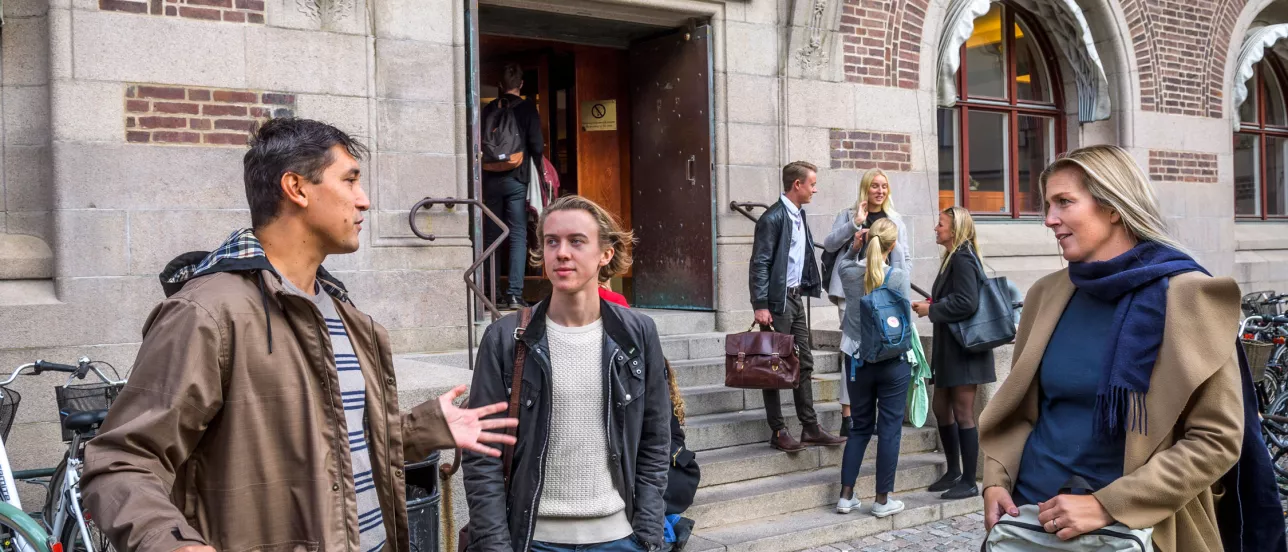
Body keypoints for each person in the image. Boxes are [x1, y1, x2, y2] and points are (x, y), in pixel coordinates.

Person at [80, 118, 518, 552]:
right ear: (297, 188)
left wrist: (425, 427)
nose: (363, 201)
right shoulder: (207, 313)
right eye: (350, 180)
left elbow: (336, 449)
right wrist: (173, 545)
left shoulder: (347, 316)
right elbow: (122, 461)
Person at [978, 145, 1247, 550]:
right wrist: (996, 481)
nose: (1049, 219)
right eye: (1048, 205)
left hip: (1136, 530)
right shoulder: (1047, 294)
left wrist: (1108, 505)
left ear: (1113, 207)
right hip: (1028, 520)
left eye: (1064, 202)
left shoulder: (1190, 297)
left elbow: (1216, 439)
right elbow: (1022, 410)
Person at [462, 195, 670, 552]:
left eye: (577, 241)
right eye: (551, 241)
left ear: (605, 254)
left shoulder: (638, 333)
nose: (561, 253)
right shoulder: (507, 338)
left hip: (618, 538)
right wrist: (495, 544)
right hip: (534, 539)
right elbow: (482, 454)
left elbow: (655, 439)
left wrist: (648, 532)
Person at [749, 161, 846, 452]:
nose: (815, 189)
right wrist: (761, 304)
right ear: (797, 185)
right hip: (776, 303)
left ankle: (810, 427)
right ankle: (778, 430)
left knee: (803, 362)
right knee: (772, 366)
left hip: (794, 298)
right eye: (812, 184)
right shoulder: (773, 218)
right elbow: (760, 263)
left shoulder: (799, 215)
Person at [910, 206, 993, 500]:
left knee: (962, 413)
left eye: (941, 224)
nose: (936, 228)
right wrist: (933, 302)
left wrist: (932, 309)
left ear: (954, 229)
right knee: (941, 407)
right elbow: (956, 297)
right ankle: (953, 471)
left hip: (965, 349)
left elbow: (967, 303)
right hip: (950, 347)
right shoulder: (952, 258)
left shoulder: (963, 258)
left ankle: (970, 480)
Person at [822, 168, 911, 437]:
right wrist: (854, 224)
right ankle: (849, 415)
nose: (880, 191)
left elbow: (905, 259)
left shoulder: (896, 220)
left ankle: (873, 411)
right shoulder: (850, 215)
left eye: (884, 186)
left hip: (886, 297)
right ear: (865, 188)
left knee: (881, 351)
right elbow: (829, 245)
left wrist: (901, 292)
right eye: (874, 186)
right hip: (852, 294)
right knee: (852, 350)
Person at [835, 218, 912, 518]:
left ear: (866, 241)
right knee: (890, 430)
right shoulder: (898, 277)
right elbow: (905, 317)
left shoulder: (849, 272)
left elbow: (844, 263)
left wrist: (855, 247)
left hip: (858, 361)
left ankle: (846, 496)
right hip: (892, 362)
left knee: (859, 428)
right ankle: (882, 500)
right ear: (892, 246)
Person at [483, 62, 544, 309]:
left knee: (492, 235)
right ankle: (514, 295)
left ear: (500, 86)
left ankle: (490, 293)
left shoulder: (489, 109)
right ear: (521, 84)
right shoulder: (528, 109)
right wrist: (539, 169)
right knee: (518, 234)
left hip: (489, 178)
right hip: (517, 178)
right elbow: (537, 145)